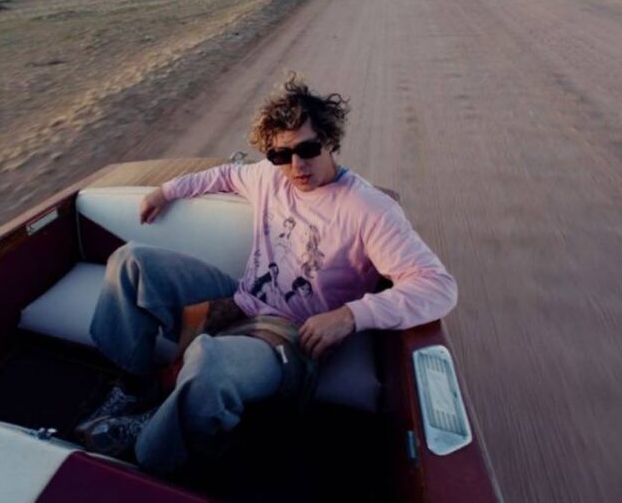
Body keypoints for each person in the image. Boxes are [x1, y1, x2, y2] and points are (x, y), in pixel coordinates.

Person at [76, 73, 458, 474]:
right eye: (281, 155)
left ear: (330, 140)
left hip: (294, 336)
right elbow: (224, 174)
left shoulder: (370, 210)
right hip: (241, 300)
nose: (296, 166)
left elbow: (438, 287)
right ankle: (135, 385)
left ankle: (150, 453)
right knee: (131, 261)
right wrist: (165, 191)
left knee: (208, 363)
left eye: (308, 149)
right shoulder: (269, 176)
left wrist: (350, 316)